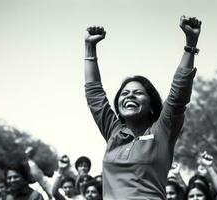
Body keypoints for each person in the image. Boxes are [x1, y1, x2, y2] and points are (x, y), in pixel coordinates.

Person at [84, 15, 201, 199]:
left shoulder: (162, 132)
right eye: (124, 93)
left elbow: (178, 94)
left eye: (138, 93)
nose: (130, 95)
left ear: (151, 105)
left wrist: (190, 45)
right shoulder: (114, 132)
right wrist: (90, 48)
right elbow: (94, 95)